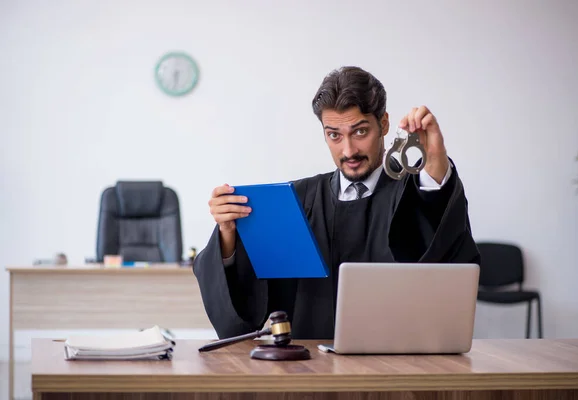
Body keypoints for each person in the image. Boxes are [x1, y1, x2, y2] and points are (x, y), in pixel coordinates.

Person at [193, 66, 480, 340]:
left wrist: (434, 163)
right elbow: (249, 300)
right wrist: (228, 234)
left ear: (383, 124)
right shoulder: (296, 202)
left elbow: (443, 246)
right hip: (310, 369)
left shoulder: (412, 195)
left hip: (398, 367)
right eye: (334, 135)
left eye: (360, 132)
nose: (348, 150)